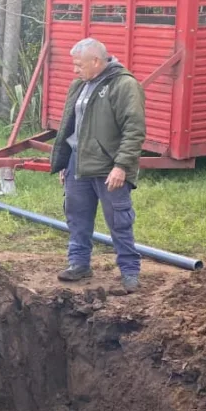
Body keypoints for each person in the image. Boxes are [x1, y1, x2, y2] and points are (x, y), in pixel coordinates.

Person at [50, 38, 146, 294]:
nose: (74, 70)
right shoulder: (79, 85)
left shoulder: (124, 85)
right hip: (77, 163)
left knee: (119, 221)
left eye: (78, 64)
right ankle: (79, 264)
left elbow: (134, 129)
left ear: (96, 61)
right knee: (76, 216)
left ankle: (129, 272)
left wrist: (122, 166)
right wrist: (65, 162)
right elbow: (71, 126)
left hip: (108, 167)